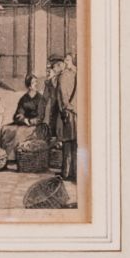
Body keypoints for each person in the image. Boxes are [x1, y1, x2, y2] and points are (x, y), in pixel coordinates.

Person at [0, 74, 46, 165]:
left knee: (19, 132)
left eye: (36, 82)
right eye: (34, 82)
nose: (36, 84)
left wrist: (31, 121)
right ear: (29, 86)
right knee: (6, 129)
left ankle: (12, 158)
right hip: (23, 122)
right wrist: (23, 119)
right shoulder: (24, 98)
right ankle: (3, 157)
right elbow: (18, 113)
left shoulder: (40, 98)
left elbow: (41, 116)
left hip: (35, 124)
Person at [47, 53, 79, 181]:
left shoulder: (64, 76)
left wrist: (65, 109)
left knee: (68, 142)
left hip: (68, 113)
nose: (53, 69)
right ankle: (72, 172)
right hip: (73, 112)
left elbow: (63, 96)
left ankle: (67, 172)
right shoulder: (72, 74)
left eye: (54, 67)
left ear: (59, 65)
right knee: (73, 142)